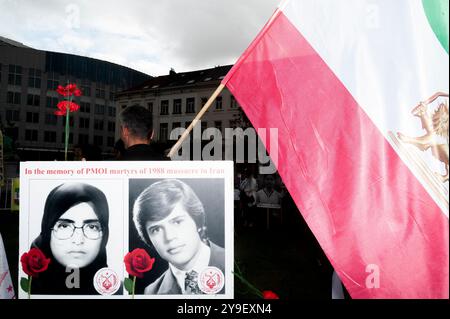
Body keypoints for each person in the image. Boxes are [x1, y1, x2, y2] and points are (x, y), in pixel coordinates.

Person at [132, 179, 225, 295]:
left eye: (177, 222)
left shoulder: (232, 264)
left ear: (197, 221)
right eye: (156, 229)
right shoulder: (152, 292)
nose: (169, 237)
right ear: (148, 239)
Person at [30, 182, 110, 294]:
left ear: (105, 233)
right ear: (47, 229)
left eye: (92, 227)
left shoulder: (117, 290)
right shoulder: (28, 289)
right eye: (64, 226)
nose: (78, 241)